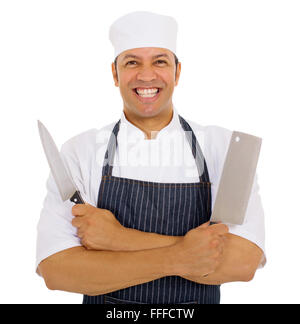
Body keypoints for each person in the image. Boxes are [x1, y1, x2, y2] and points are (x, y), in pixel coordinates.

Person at [36, 11, 266, 304]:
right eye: (132, 62)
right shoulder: (80, 151)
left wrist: (119, 240)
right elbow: (57, 270)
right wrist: (181, 256)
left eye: (160, 61)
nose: (146, 75)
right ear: (115, 73)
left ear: (177, 72)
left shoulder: (225, 148)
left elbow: (243, 263)